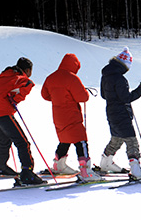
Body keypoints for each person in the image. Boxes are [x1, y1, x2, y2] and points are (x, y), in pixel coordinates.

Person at [0, 57, 45, 185]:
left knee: (4, 140)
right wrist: (15, 99)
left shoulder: (1, 79)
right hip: (3, 113)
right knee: (22, 142)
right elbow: (28, 84)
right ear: (27, 70)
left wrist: (4, 97)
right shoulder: (19, 78)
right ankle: (27, 173)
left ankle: (0, 165)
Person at [41, 53, 101, 182]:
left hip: (58, 115)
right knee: (81, 141)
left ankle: (58, 165)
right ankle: (85, 170)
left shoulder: (50, 77)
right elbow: (83, 97)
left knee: (65, 139)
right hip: (72, 115)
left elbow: (45, 95)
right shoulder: (72, 78)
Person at [99, 47, 141, 180]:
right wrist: (140, 90)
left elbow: (104, 95)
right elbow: (125, 98)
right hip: (121, 113)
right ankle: (136, 169)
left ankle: (106, 163)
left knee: (117, 138)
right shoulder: (120, 79)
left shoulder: (106, 76)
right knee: (131, 141)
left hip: (111, 111)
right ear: (124, 64)